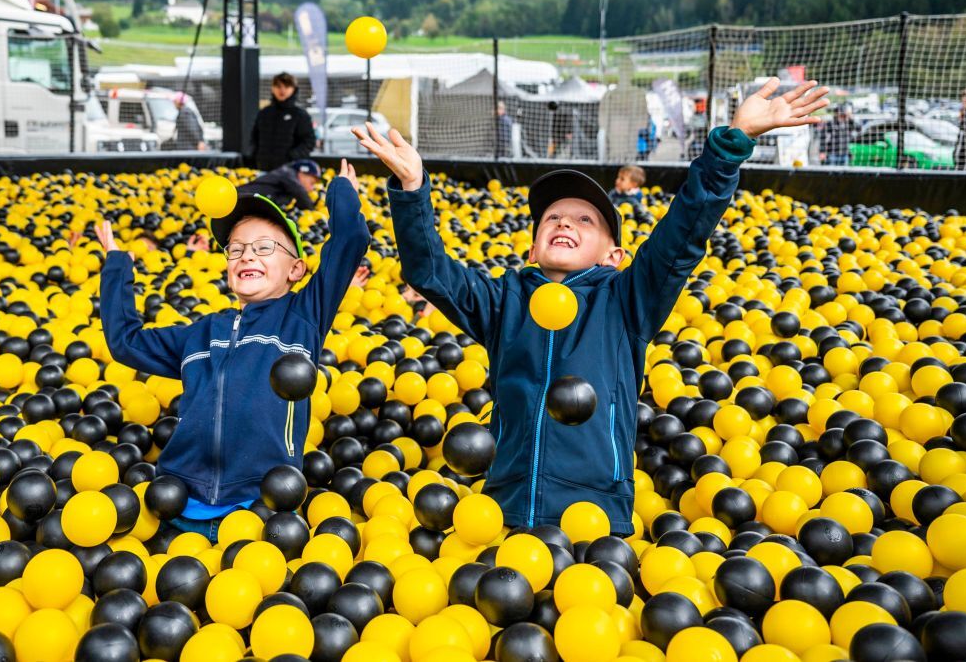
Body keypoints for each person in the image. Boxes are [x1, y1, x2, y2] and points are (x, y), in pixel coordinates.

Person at [354, 78, 828, 533]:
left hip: (594, 512)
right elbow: (430, 272)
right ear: (533, 248)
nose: (565, 222)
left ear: (613, 255)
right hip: (506, 506)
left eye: (585, 219)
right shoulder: (506, 300)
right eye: (552, 217)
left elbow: (682, 236)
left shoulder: (626, 300)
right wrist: (413, 190)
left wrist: (731, 145)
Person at [96, 161, 369, 542]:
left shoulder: (302, 318)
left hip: (260, 511)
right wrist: (116, 265)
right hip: (176, 506)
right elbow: (126, 341)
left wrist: (342, 195)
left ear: (296, 270)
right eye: (235, 249)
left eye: (264, 247)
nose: (246, 256)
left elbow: (347, 245)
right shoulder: (202, 334)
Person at [250, 72, 315, 171]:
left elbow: (309, 142)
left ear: (294, 89)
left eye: (287, 86)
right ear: (273, 88)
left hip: (290, 171)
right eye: (278, 86)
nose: (282, 90)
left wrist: (292, 156)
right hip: (263, 169)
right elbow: (254, 138)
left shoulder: (300, 115)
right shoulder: (264, 113)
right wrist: (257, 156)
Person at [239, 159, 322, 211]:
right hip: (240, 197)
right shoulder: (288, 173)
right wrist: (312, 210)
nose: (312, 188)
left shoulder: (286, 184)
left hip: (248, 202)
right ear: (302, 173)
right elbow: (299, 191)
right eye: (312, 183)